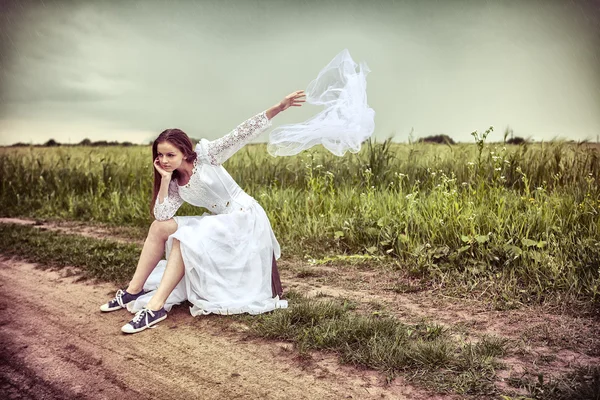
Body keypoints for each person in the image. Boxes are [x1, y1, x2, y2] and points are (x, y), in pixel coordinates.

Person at [100, 90, 306, 334]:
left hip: (244, 218)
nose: (164, 160)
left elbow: (241, 133)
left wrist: (279, 107)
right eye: (160, 156)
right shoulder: (175, 181)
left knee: (184, 238)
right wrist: (165, 180)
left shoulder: (207, 156)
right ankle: (132, 292)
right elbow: (161, 215)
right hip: (220, 221)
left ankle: (155, 307)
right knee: (159, 228)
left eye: (170, 155)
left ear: (185, 152)